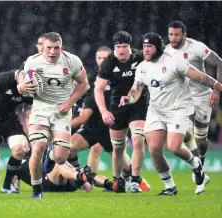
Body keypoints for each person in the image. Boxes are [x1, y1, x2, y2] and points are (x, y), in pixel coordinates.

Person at [119, 32, 222, 195]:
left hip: (178, 109)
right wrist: (129, 98)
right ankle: (170, 186)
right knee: (154, 150)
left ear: (158, 48)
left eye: (149, 47)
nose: (145, 50)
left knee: (174, 147)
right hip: (156, 111)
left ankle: (196, 165)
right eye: (144, 46)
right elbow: (136, 89)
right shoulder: (142, 67)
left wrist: (217, 86)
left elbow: (199, 76)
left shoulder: (174, 61)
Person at [22, 32, 88, 199]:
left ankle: (51, 155)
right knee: (37, 148)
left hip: (61, 111)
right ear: (42, 48)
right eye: (48, 48)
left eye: (56, 48)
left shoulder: (72, 61)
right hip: (40, 109)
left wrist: (69, 102)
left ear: (62, 48)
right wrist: (21, 88)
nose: (52, 52)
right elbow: (23, 84)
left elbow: (83, 83)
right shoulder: (32, 61)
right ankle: (37, 190)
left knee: (60, 157)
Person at [165, 20, 222, 194]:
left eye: (177, 34)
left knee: (201, 139)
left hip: (203, 96)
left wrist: (216, 90)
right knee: (182, 132)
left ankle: (200, 166)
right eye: (170, 34)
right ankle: (198, 168)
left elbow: (219, 62)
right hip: (182, 98)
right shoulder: (166, 51)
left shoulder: (196, 47)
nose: (173, 38)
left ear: (184, 34)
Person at [94, 31, 147, 193]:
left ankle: (135, 181)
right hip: (117, 107)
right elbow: (98, 89)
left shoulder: (140, 57)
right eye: (118, 47)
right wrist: (104, 112)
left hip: (138, 104)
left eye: (124, 46)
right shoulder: (108, 62)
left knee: (138, 140)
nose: (121, 50)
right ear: (114, 48)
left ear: (130, 47)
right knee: (117, 148)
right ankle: (117, 180)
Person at [10, 148, 112, 193]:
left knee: (78, 170)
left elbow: (14, 182)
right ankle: (82, 177)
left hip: (63, 180)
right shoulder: (19, 164)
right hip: (48, 184)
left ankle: (110, 185)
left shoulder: (41, 153)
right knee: (59, 166)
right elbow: (14, 182)